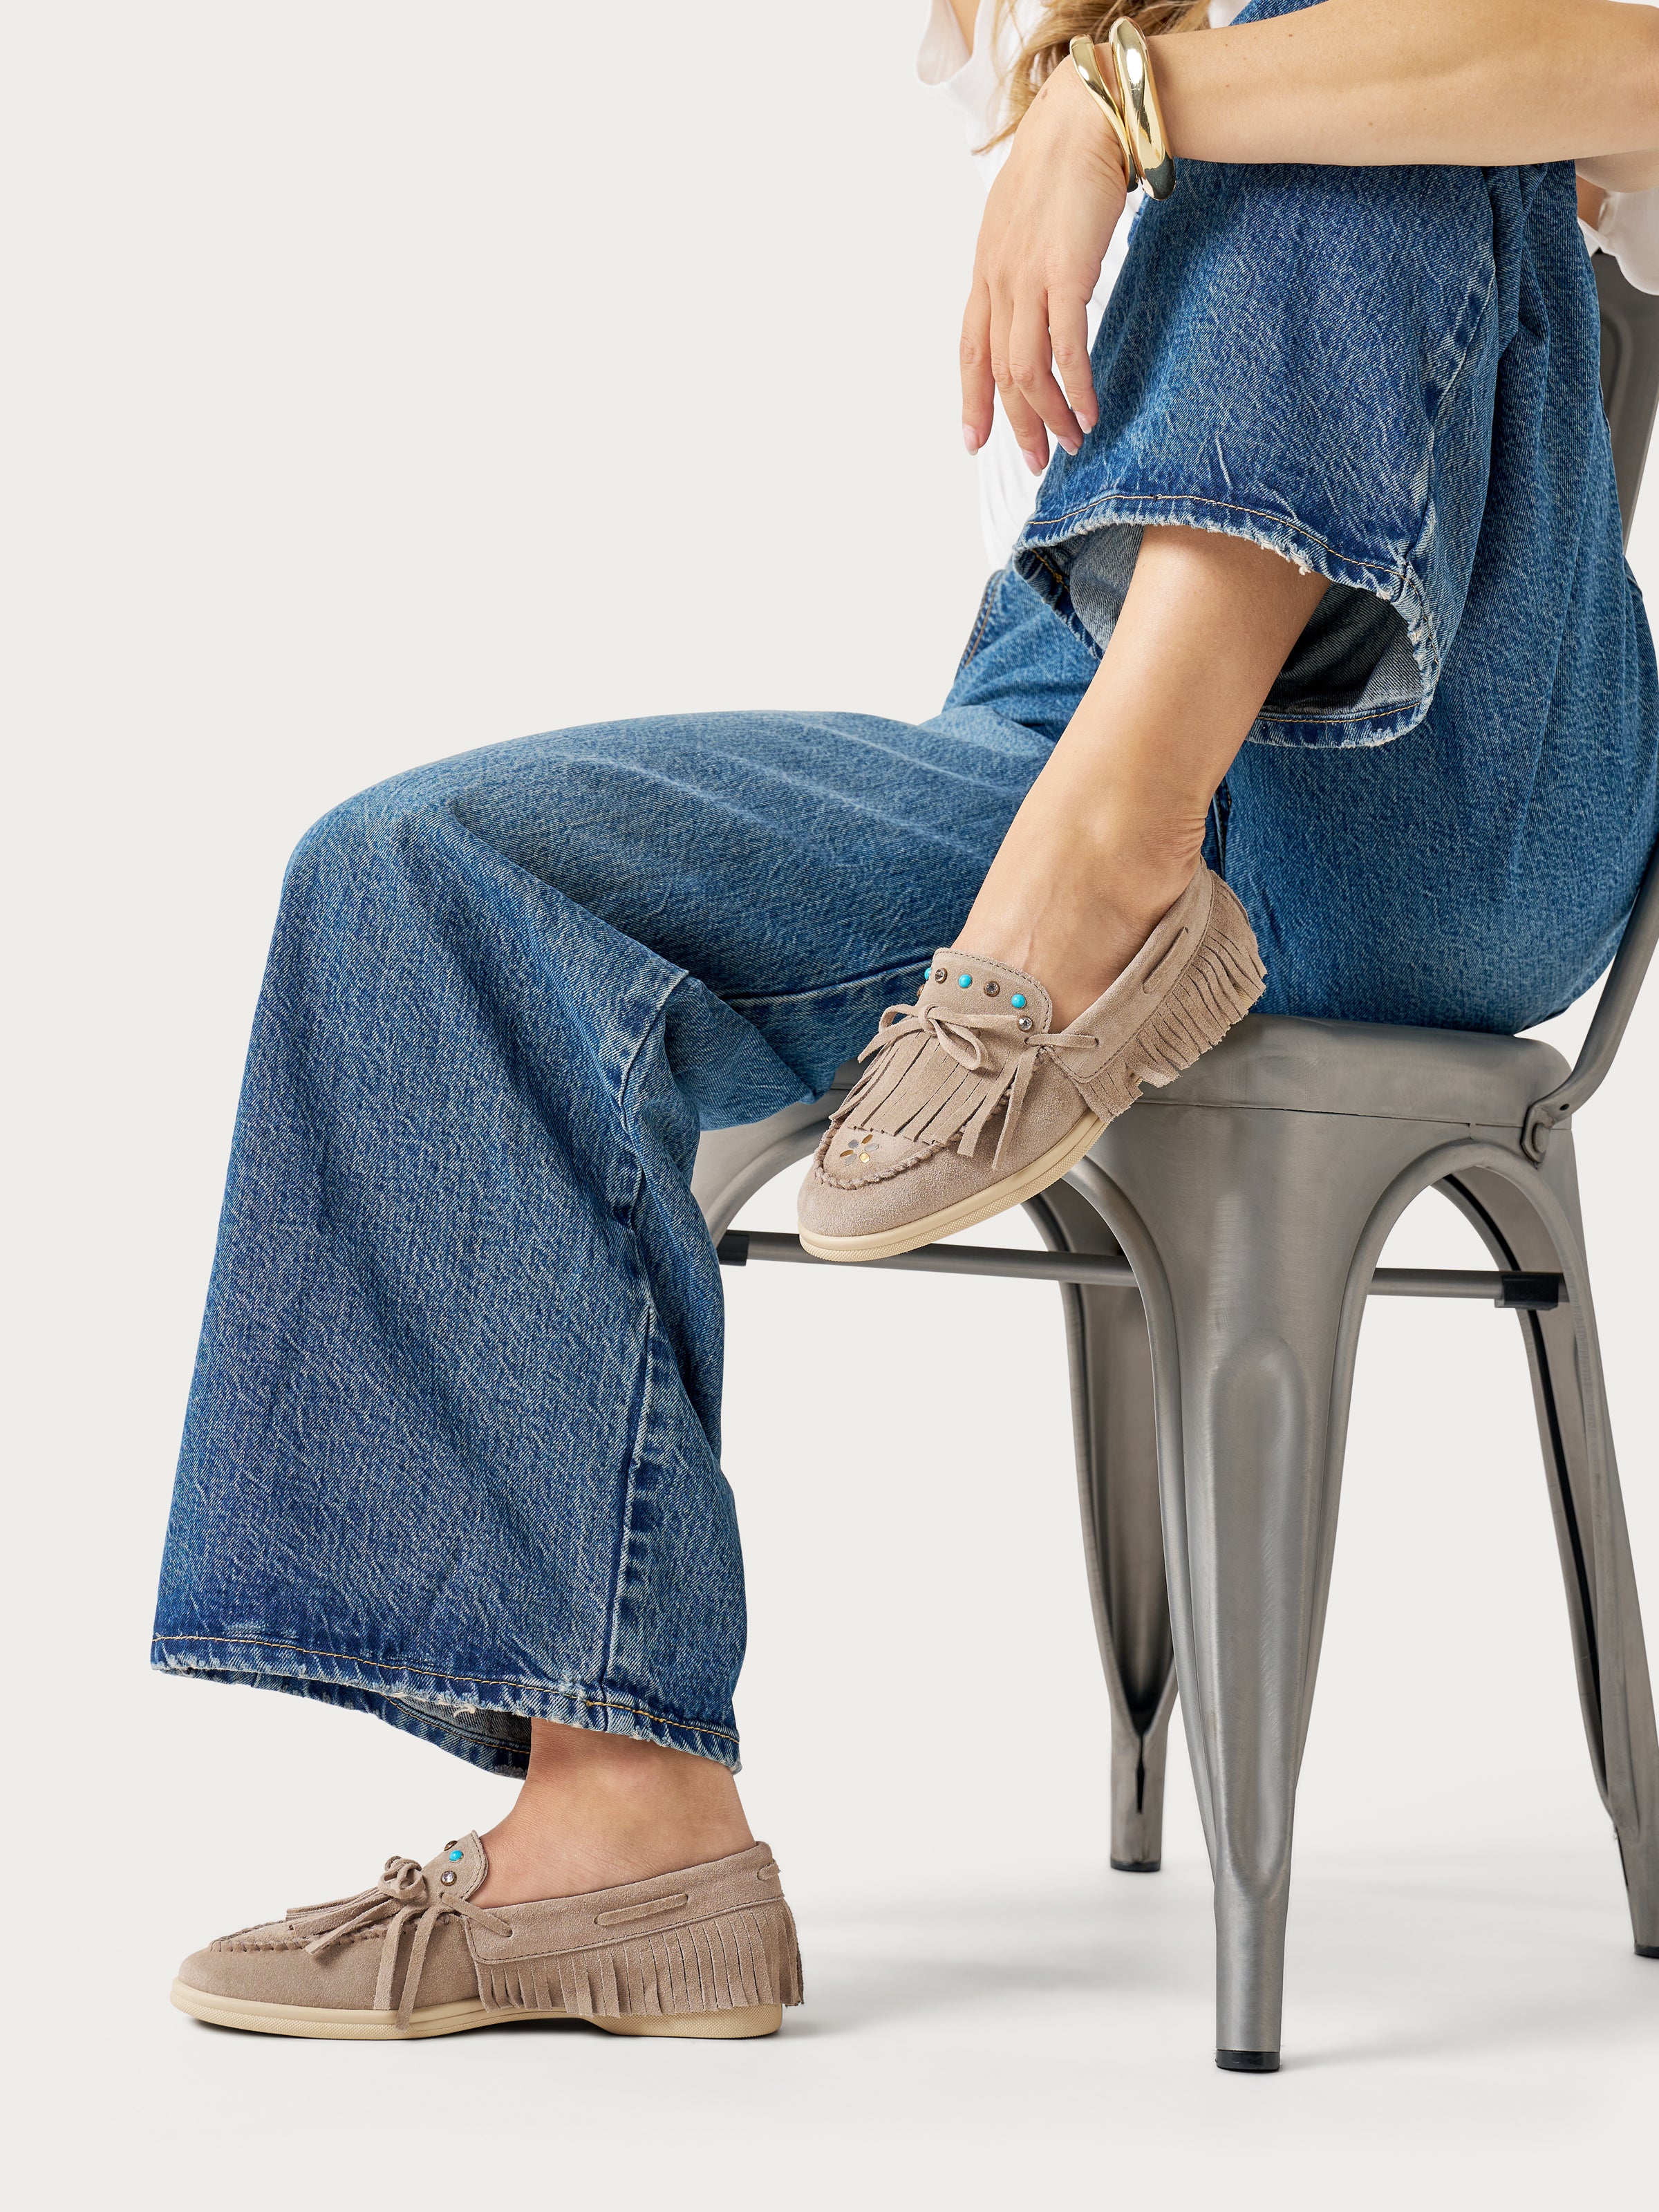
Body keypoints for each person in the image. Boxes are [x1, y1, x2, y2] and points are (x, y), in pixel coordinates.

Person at [158, 0, 1659, 2041]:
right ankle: (625, 1819)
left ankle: (1107, 879)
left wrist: (1133, 105)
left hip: (1450, 764)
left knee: (1328, 49)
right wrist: (1087, 78)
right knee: (417, 874)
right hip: (1056, 725)